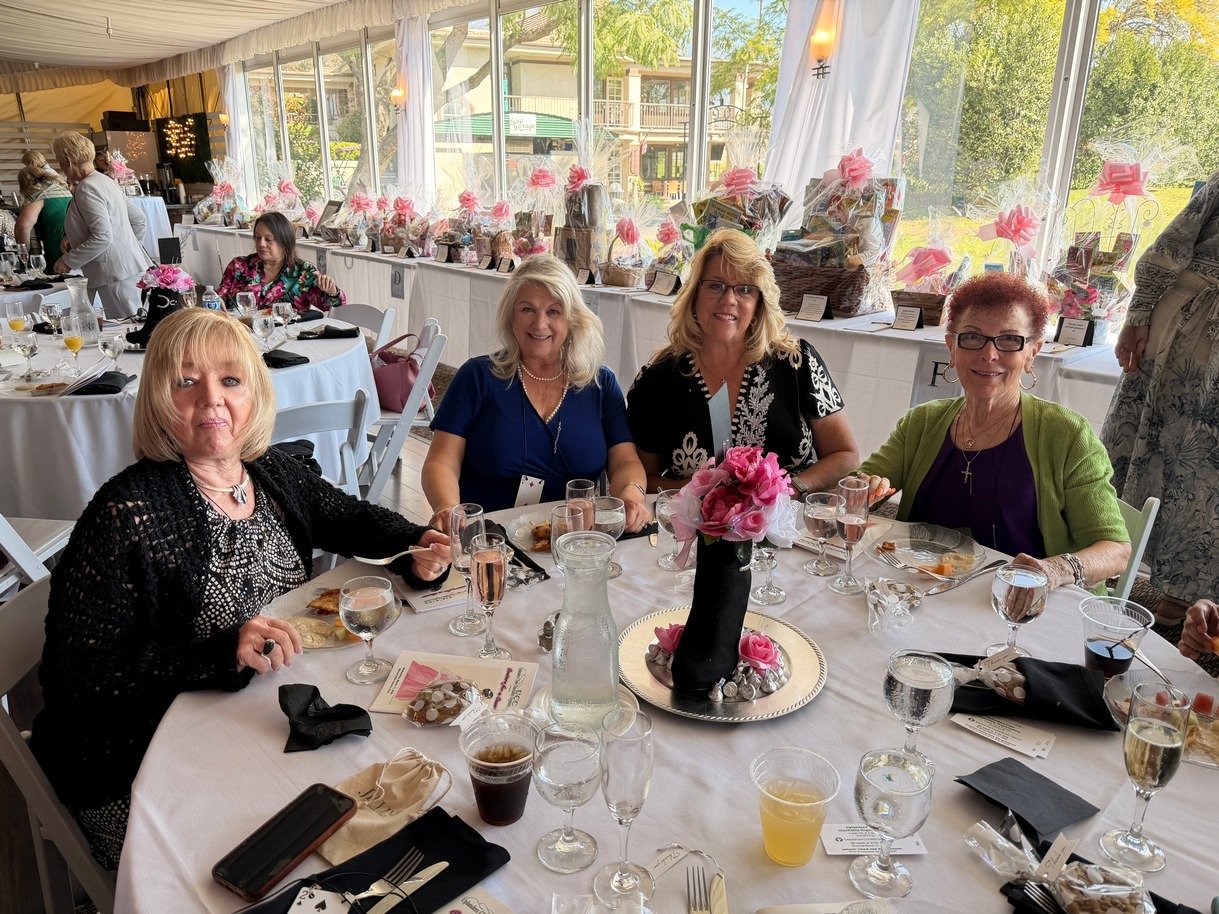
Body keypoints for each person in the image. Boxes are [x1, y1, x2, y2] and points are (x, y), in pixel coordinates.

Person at [29, 308, 450, 870]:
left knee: (396, 797)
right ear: (157, 400)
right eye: (186, 382)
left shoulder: (267, 471)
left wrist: (415, 545)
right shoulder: (126, 514)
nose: (212, 399)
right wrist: (220, 652)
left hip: (264, 716)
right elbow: (77, 677)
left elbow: (350, 518)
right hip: (143, 760)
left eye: (230, 380)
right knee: (299, 854)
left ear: (255, 392)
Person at [858, 272, 1130, 592]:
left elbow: (1116, 550)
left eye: (1010, 340)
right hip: (921, 588)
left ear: (1032, 352)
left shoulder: (1067, 435)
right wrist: (865, 489)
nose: (989, 355)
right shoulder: (922, 422)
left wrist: (1056, 570)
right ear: (951, 347)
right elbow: (858, 485)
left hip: (1021, 599)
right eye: (973, 337)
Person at [422, 253, 651, 531]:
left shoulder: (599, 383)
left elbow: (625, 461)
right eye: (527, 309)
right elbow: (441, 461)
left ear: (572, 319)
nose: (540, 324)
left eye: (554, 311)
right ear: (510, 315)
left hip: (573, 539)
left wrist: (632, 494)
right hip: (487, 536)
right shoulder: (478, 377)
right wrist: (448, 508)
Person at [626, 228, 859, 497]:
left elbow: (845, 454)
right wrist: (697, 490)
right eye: (715, 285)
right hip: (695, 519)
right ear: (694, 295)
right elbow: (641, 479)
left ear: (758, 304)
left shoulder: (798, 362)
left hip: (788, 515)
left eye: (745, 289)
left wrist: (789, 490)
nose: (729, 299)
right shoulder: (657, 379)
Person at [1103, 172, 1219, 627]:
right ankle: (1105, 548)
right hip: (1191, 325)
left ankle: (1187, 590)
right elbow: (1175, 240)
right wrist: (1139, 311)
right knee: (1149, 444)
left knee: (1207, 468)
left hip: (1191, 324)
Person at [49, 130, 152, 318]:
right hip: (126, 269)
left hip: (113, 273)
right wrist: (126, 249)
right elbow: (139, 219)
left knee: (127, 326)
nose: (60, 166)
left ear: (68, 160)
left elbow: (103, 237)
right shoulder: (106, 181)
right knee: (135, 323)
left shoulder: (86, 187)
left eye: (59, 160)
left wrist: (68, 260)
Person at [217, 211, 345, 312]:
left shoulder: (303, 272)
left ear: (284, 241)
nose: (261, 244)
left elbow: (333, 307)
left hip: (287, 335)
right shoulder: (239, 266)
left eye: (268, 239)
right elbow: (218, 297)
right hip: (241, 333)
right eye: (258, 237)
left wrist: (331, 291)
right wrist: (217, 301)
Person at [14, 150, 71, 262]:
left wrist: (24, 258)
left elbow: (22, 228)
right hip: (75, 252)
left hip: (55, 254)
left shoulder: (39, 196)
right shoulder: (63, 188)